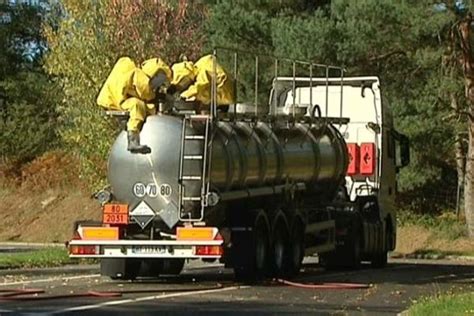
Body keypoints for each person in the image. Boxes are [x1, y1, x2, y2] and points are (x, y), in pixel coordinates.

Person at [97, 57, 171, 154]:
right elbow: (145, 92)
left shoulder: (131, 71)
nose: (158, 84)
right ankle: (133, 140)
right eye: (160, 79)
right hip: (118, 101)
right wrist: (156, 96)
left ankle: (128, 126)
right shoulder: (139, 75)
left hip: (111, 100)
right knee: (137, 106)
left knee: (145, 107)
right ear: (154, 74)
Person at [169, 55, 234, 112]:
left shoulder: (202, 71)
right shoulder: (199, 66)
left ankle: (210, 110)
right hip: (221, 90)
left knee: (200, 94)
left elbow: (198, 86)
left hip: (225, 93)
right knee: (199, 95)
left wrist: (184, 96)